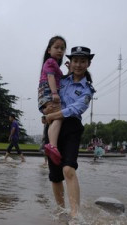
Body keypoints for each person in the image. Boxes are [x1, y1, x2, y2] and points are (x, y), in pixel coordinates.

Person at [44, 46, 95, 219]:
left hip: (72, 128)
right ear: (70, 62)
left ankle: (75, 213)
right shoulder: (61, 81)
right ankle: (61, 211)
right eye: (75, 60)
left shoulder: (88, 90)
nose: (79, 64)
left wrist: (52, 115)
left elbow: (75, 109)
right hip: (52, 129)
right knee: (55, 175)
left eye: (83, 61)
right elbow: (46, 94)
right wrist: (46, 111)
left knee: (68, 169)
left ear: (88, 64)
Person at [38, 36, 67, 166]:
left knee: (55, 118)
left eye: (62, 48)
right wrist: (54, 93)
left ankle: (50, 145)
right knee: (59, 117)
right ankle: (52, 146)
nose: (60, 50)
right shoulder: (50, 61)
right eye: (56, 47)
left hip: (46, 95)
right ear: (49, 50)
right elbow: (50, 77)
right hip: (49, 94)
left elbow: (60, 78)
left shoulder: (54, 64)